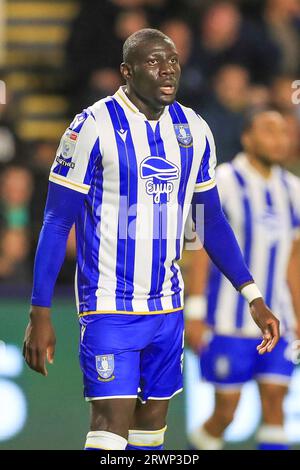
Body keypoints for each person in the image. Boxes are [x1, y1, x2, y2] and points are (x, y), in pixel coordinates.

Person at [23, 29, 280, 451]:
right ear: (126, 72)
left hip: (167, 306)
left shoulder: (194, 128)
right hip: (109, 305)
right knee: (110, 424)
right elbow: (56, 221)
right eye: (153, 61)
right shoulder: (92, 125)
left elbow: (209, 220)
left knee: (150, 433)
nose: (167, 70)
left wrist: (252, 295)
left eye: (173, 61)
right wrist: (40, 311)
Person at [185, 109, 300, 450]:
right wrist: (194, 311)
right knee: (226, 414)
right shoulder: (223, 181)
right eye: (268, 131)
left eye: (284, 132)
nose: (279, 140)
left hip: (278, 320)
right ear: (247, 137)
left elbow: (294, 260)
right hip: (227, 319)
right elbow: (202, 250)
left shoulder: (293, 189)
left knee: (276, 401)